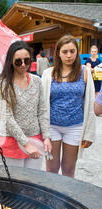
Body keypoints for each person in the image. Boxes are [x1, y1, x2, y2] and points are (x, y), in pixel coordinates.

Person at [41, 34, 96, 178]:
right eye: (65, 52)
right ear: (58, 53)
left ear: (77, 52)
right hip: (52, 126)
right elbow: (42, 104)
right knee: (51, 169)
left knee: (68, 169)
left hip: (75, 127)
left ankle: (65, 200)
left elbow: (90, 104)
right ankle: (50, 199)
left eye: (72, 51)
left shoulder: (84, 72)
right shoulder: (49, 73)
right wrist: (43, 131)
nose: (69, 55)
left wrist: (89, 133)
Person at [0, 40, 52, 170]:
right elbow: (7, 118)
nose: (23, 65)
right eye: (18, 61)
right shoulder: (3, 85)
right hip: (12, 141)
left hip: (35, 138)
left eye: (27, 61)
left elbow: (42, 111)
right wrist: (26, 143)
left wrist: (47, 136)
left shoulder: (37, 81)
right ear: (10, 61)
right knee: (14, 185)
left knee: (33, 184)